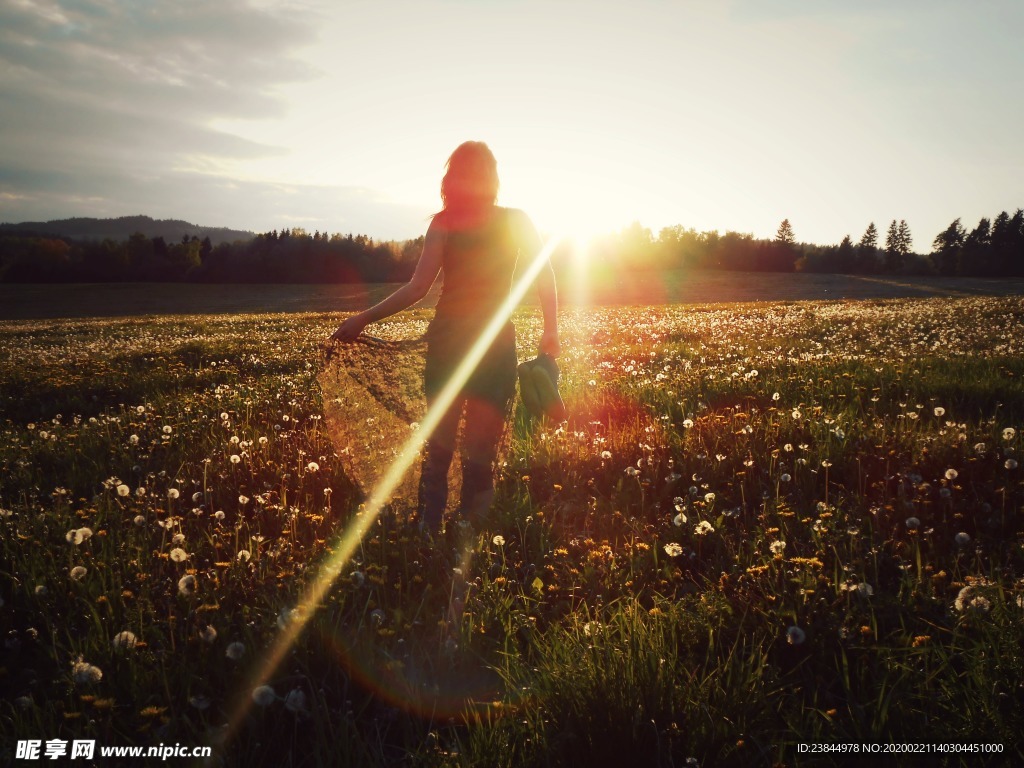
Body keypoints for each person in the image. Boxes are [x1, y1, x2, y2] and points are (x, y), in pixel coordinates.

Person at [330, 141, 560, 535]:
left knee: (455, 448)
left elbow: (419, 287)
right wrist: (364, 319)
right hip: (471, 345)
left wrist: (551, 329)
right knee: (464, 449)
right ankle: (446, 529)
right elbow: (419, 287)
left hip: (474, 344)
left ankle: (443, 529)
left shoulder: (479, 221)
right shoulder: (459, 222)